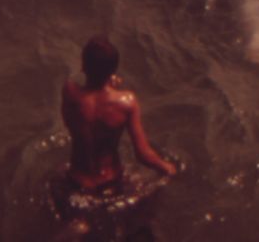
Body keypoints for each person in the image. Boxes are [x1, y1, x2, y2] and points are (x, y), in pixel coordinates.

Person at [60, 35, 179, 196]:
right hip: (110, 182)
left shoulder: (70, 92)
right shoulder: (126, 103)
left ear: (84, 65)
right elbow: (143, 154)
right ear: (113, 70)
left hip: (76, 181)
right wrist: (167, 167)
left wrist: (101, 80)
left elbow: (71, 116)